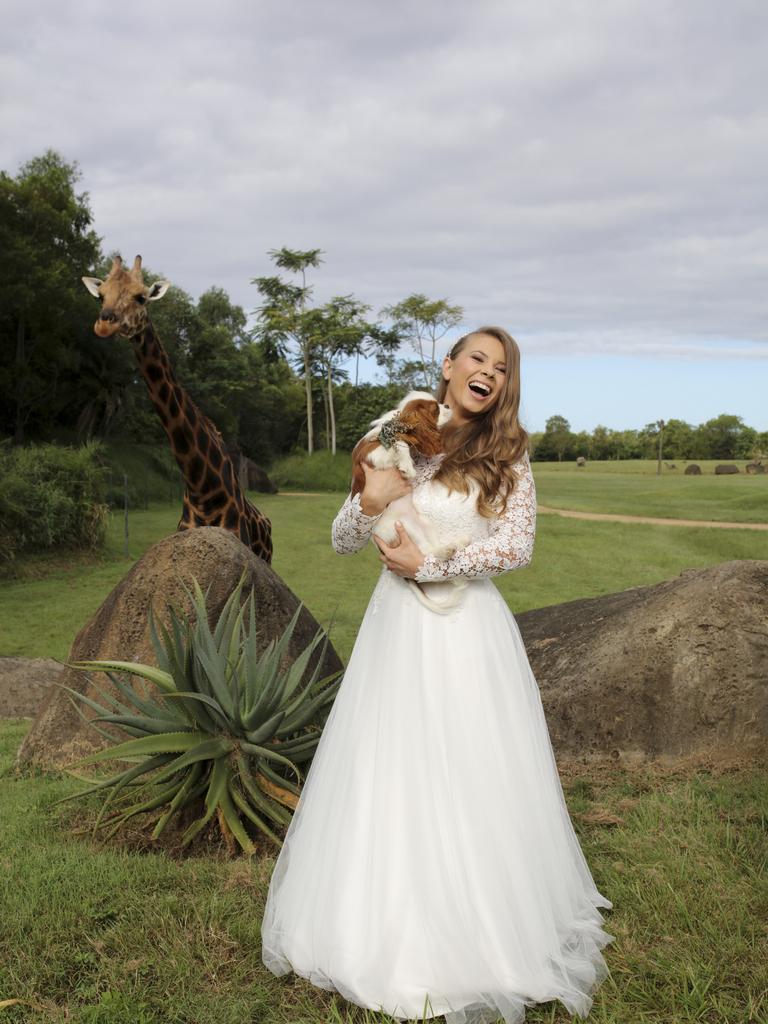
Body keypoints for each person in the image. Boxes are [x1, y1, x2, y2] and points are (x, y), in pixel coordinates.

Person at [261, 327, 614, 1024]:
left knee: (472, 768)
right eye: (477, 358)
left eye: (501, 367)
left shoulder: (508, 452)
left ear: (504, 387)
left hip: (468, 633)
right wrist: (370, 498)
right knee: (392, 766)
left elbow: (517, 545)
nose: (487, 372)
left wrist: (434, 567)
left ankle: (487, 927)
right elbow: (341, 539)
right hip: (397, 633)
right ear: (449, 367)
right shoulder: (400, 433)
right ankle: (379, 920)